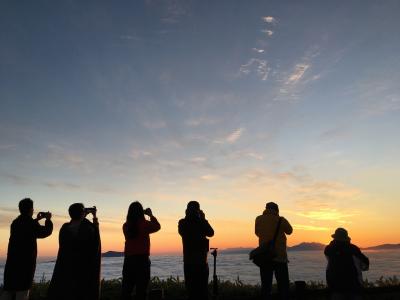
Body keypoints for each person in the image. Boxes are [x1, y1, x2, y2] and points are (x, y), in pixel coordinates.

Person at [1, 198, 53, 300]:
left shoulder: (15, 222)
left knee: (8, 291)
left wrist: (36, 220)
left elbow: (28, 227)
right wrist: (48, 219)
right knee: (22, 292)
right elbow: (45, 232)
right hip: (25, 264)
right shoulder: (30, 224)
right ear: (30, 209)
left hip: (12, 262)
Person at [47, 203, 101, 300]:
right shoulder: (88, 228)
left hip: (66, 270)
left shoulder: (64, 228)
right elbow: (96, 239)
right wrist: (94, 217)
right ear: (82, 214)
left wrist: (82, 214)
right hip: (83, 271)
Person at [121, 202, 161, 300]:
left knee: (127, 290)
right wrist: (151, 215)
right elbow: (157, 226)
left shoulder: (126, 226)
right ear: (141, 212)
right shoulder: (145, 224)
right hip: (142, 261)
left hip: (129, 261)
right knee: (141, 291)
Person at [255, 202, 293, 300]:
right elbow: (290, 231)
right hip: (279, 257)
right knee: (283, 286)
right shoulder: (281, 220)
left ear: (266, 209)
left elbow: (257, 233)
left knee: (266, 286)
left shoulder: (258, 219)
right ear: (277, 210)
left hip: (265, 257)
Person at [178, 201, 214, 300]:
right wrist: (203, 218)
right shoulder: (201, 222)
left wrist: (190, 216)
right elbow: (211, 232)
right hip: (201, 262)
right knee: (203, 291)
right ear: (198, 210)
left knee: (191, 291)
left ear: (186, 210)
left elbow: (211, 233)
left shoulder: (182, 222)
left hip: (189, 262)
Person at [324, 228, 369, 300]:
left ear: (334, 237)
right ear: (346, 238)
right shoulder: (353, 249)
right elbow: (365, 266)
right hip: (353, 287)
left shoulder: (329, 249)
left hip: (335, 287)